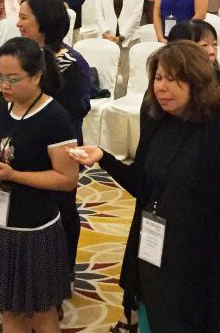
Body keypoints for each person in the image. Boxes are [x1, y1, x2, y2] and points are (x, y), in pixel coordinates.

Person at [68, 41, 220, 333]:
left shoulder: (212, 133)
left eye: (173, 79)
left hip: (196, 259)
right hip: (153, 247)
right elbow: (142, 185)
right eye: (158, 78)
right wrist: (105, 158)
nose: (161, 87)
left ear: (197, 82)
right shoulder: (157, 122)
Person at [0, 36, 79, 333]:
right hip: (1, 224)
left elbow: (67, 179)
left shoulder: (54, 118)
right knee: (10, 310)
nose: (4, 84)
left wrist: (14, 176)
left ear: (37, 76)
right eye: (0, 76)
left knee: (40, 313)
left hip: (35, 229)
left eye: (13, 78)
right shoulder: (1, 106)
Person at [16, 0, 91, 302]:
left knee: (60, 215)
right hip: (23, 152)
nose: (17, 24)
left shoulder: (72, 64)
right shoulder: (22, 56)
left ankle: (59, 279)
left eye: (24, 18)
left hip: (58, 155)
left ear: (43, 23)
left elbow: (73, 112)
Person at [98, 0, 144, 97]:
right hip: (107, 38)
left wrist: (122, 36)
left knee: (127, 77)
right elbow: (98, 12)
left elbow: (136, 15)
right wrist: (106, 33)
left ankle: (124, 105)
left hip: (129, 39)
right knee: (106, 76)